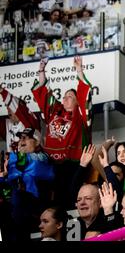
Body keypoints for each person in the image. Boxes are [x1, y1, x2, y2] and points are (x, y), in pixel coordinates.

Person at [32, 56, 92, 209]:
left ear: (77, 101)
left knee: (65, 196)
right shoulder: (55, 112)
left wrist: (79, 70)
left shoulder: (80, 116)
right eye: (64, 96)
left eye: (70, 97)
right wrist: (41, 70)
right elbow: (44, 94)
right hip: (51, 163)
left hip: (71, 164)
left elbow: (84, 94)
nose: (65, 99)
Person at [0, 128, 54, 240]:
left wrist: (12, 160)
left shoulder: (43, 158)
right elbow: (11, 179)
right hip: (20, 208)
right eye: (20, 138)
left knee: (19, 197)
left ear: (37, 142)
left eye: (26, 137)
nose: (21, 140)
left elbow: (28, 164)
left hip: (38, 208)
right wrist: (3, 176)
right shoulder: (18, 161)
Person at [0, 86, 40, 153]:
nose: (8, 110)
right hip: (13, 162)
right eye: (7, 108)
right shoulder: (6, 124)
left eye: (10, 107)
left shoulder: (30, 121)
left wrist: (1, 90)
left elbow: (20, 107)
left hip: (30, 161)